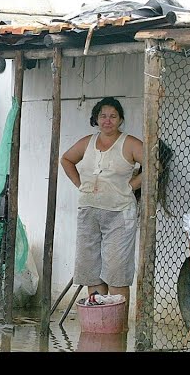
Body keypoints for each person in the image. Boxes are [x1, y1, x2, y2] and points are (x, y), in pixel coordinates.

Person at [60, 96, 143, 330]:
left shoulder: (130, 143)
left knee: (117, 270)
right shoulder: (87, 142)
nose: (108, 120)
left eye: (113, 116)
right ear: (96, 119)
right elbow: (66, 159)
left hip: (119, 213)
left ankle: (118, 330)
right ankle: (98, 328)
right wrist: (80, 185)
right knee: (91, 269)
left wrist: (131, 185)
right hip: (89, 212)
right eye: (103, 116)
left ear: (120, 120)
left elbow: (155, 164)